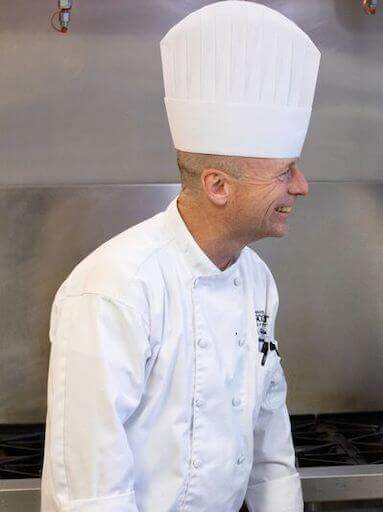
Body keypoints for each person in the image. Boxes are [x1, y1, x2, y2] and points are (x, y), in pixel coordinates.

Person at [40, 2, 320, 511]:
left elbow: (270, 447)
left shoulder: (255, 278)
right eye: (285, 172)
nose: (301, 187)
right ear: (217, 185)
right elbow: (91, 492)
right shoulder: (115, 289)